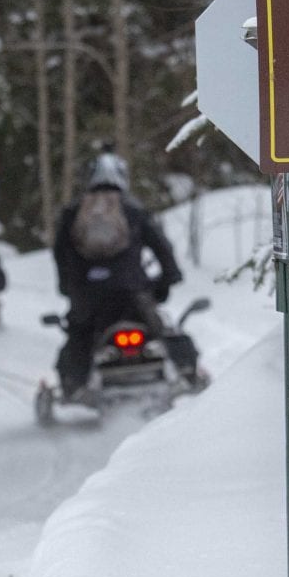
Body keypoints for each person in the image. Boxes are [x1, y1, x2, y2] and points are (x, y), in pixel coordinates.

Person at [50, 151, 185, 402]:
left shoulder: (74, 211)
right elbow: (161, 246)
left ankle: (74, 386)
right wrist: (169, 277)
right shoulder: (132, 208)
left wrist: (67, 285)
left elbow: (60, 252)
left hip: (88, 296)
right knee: (162, 329)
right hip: (131, 291)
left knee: (79, 335)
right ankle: (188, 374)